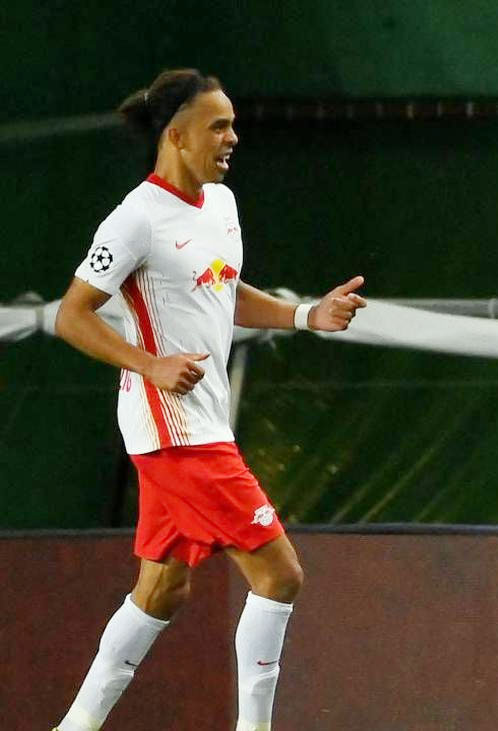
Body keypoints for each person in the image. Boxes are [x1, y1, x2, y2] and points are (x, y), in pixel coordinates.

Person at [51, 69, 366, 731]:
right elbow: (71, 316)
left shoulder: (220, 204)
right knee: (280, 574)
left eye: (233, 125)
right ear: (176, 135)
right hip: (174, 429)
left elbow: (224, 289)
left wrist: (306, 315)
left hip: (199, 421)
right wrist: (151, 364)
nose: (232, 137)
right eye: (218, 126)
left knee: (162, 587)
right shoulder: (135, 218)